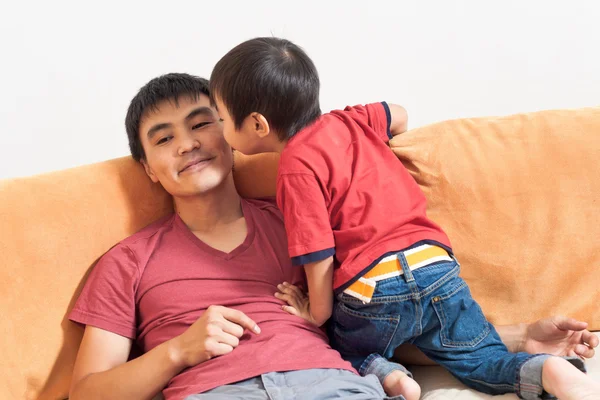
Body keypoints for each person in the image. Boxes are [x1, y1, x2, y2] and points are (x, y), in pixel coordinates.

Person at [68, 73, 598, 400]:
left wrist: (517, 336)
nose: (187, 144)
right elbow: (87, 392)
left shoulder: (301, 218)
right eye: (164, 138)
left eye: (201, 124)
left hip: (334, 385)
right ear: (149, 169)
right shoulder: (128, 261)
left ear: (234, 133)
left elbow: (381, 322)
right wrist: (177, 351)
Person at [209, 37, 600, 400]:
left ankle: (390, 376)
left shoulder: (294, 167)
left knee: (341, 345)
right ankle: (546, 370)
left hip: (373, 287)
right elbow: (399, 114)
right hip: (436, 267)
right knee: (481, 359)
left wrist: (316, 312)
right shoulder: (351, 120)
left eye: (223, 120)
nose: (222, 132)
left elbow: (319, 254)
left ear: (258, 125)